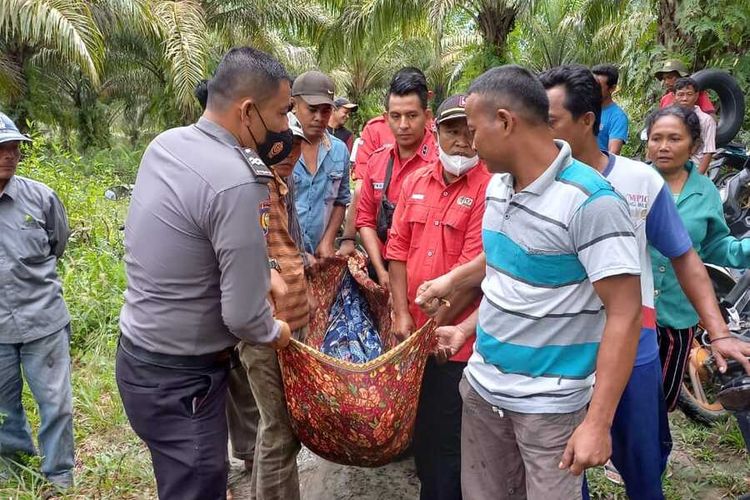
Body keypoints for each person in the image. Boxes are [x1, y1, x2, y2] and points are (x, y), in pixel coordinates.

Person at [415, 65, 643, 500]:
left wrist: (597, 422)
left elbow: (625, 313)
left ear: (505, 121)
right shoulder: (499, 187)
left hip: (549, 409)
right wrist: (462, 316)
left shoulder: (591, 203)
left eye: (475, 128)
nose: (470, 141)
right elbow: (509, 269)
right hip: (484, 391)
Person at [540, 64, 747, 500]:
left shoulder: (639, 181)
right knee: (560, 467)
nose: (541, 130)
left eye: (551, 120)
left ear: (586, 121)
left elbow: (685, 257)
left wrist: (720, 332)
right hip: (560, 349)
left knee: (642, 462)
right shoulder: (535, 181)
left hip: (633, 344)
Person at [115, 47, 292, 500]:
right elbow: (243, 318)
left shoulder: (167, 144)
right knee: (196, 486)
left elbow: (193, 242)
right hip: (184, 383)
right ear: (248, 111)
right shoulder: (239, 179)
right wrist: (276, 330)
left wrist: (263, 266)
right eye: (280, 113)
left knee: (177, 481)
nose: (283, 128)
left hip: (138, 359)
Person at [385, 94, 490, 500]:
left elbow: (469, 277)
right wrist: (400, 314)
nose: (461, 141)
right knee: (423, 432)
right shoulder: (414, 182)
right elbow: (397, 250)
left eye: (469, 131)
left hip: (456, 343)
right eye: (451, 130)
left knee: (451, 436)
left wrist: (435, 328)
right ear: (437, 131)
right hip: (412, 336)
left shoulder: (488, 188)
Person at [647, 105, 750, 414]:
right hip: (631, 309)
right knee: (624, 391)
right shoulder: (634, 183)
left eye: (674, 139)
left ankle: (652, 450)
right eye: (656, 138)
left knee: (663, 396)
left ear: (693, 145)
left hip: (678, 314)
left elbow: (716, 244)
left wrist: (743, 249)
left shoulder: (705, 191)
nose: (663, 146)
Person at [234, 110, 312, 500]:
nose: (288, 153)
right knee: (279, 430)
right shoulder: (252, 187)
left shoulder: (280, 186)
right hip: (268, 328)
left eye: (295, 146)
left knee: (283, 431)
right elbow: (242, 255)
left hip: (289, 327)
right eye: (279, 145)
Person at [0, 112, 74, 492]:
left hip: (42, 319)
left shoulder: (40, 197)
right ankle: (12, 466)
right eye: (2, 148)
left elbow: (57, 244)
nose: (9, 155)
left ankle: (60, 474)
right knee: (2, 408)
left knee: (56, 403)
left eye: (13, 148)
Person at [356, 70, 437, 290]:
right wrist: (382, 272)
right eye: (395, 116)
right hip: (383, 270)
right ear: (385, 118)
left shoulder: (440, 163)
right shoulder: (377, 161)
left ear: (427, 117)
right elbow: (365, 220)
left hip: (428, 279)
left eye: (412, 116)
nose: (403, 125)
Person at [291, 70, 351, 260]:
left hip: (319, 257)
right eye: (312, 109)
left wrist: (327, 240)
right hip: (284, 257)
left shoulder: (339, 151)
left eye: (325, 110)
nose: (319, 117)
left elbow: (341, 200)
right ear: (294, 105)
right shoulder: (279, 148)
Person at [674, 77, 717, 174]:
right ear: (675, 96)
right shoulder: (670, 118)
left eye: (689, 94)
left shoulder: (706, 120)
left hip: (695, 169)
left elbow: (709, 151)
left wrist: (698, 178)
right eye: (680, 94)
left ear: (696, 95)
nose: (685, 98)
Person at [591, 64, 628, 154]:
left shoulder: (618, 117)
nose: (593, 89)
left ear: (612, 88)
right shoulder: (582, 108)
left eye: (598, 87)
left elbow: (613, 153)